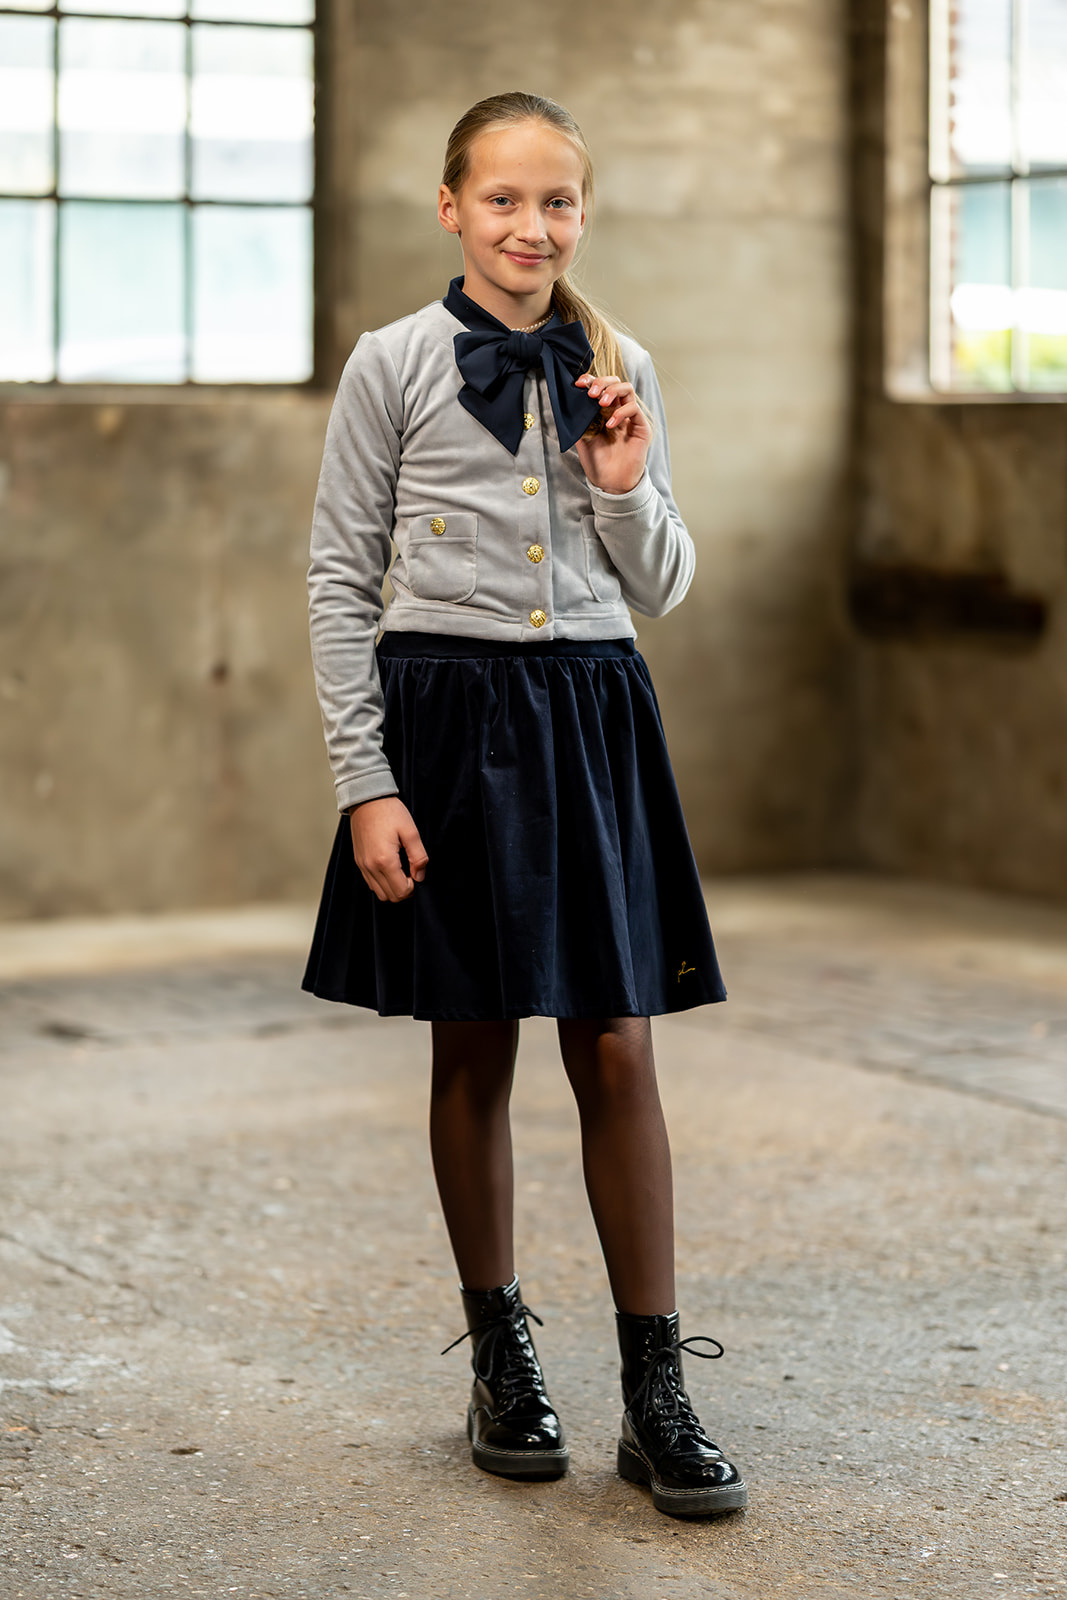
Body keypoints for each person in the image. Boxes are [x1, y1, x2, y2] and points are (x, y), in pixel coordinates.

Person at [301, 90, 747, 1519]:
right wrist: (368, 783)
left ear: (583, 213)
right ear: (452, 207)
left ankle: (655, 1390)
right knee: (474, 1039)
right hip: (447, 723)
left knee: (617, 1041)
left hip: (592, 718)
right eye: (502, 199)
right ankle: (502, 1360)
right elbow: (338, 581)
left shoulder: (623, 363)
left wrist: (622, 485)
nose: (531, 227)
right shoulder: (391, 363)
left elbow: (662, 583)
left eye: (557, 202)